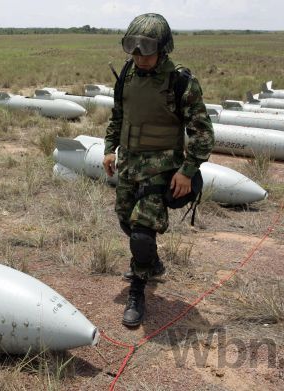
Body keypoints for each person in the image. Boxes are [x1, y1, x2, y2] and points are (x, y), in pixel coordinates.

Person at [102, 13, 214, 327]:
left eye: (146, 50)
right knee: (126, 221)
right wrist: (110, 149)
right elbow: (118, 116)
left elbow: (203, 133)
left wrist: (187, 170)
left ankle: (138, 290)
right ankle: (151, 263)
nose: (139, 57)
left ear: (163, 48)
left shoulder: (180, 81)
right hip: (128, 165)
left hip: (162, 169)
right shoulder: (128, 74)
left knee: (140, 232)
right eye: (133, 50)